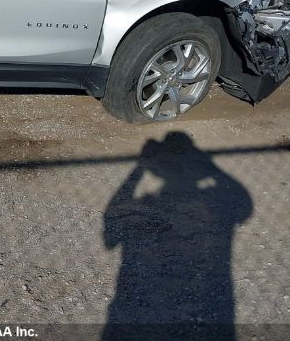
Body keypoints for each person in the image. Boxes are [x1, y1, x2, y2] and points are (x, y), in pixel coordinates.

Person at [102, 132, 252, 341]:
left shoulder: (148, 208)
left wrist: (139, 168)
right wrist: (210, 167)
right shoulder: (208, 207)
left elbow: (112, 228)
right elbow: (244, 205)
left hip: (141, 311)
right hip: (199, 308)